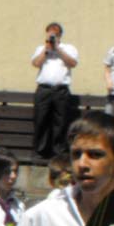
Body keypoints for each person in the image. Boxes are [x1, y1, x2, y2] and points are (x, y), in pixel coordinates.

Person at [31, 22, 78, 160]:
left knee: (60, 122)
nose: (52, 36)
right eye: (50, 33)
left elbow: (73, 63)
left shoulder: (68, 48)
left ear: (60, 35)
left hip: (61, 90)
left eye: (55, 34)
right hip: (44, 89)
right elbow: (36, 63)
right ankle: (40, 151)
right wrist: (46, 50)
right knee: (41, 120)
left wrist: (58, 49)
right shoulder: (41, 48)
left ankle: (58, 153)